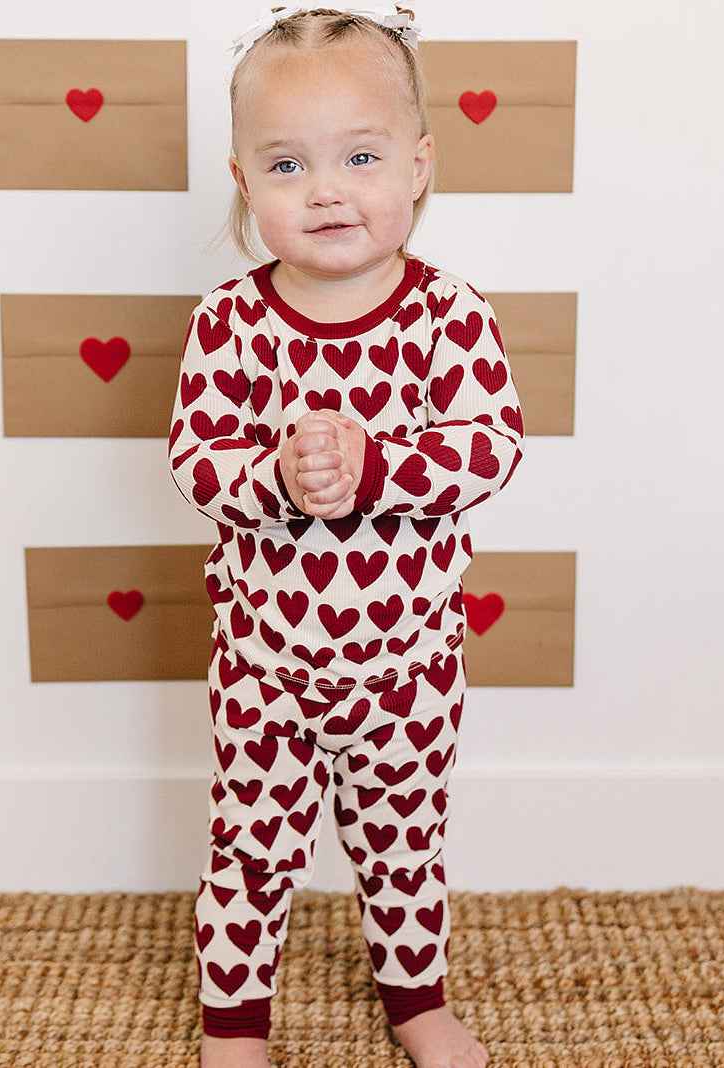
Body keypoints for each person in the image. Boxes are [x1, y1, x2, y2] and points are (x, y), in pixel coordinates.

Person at [168, 6, 523, 1066]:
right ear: (244, 181)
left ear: (417, 166)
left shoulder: (448, 315)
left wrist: (376, 466)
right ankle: (234, 1024)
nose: (325, 190)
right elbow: (194, 460)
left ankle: (416, 1001)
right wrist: (275, 477)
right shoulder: (231, 322)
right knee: (248, 850)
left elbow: (492, 447)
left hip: (407, 664)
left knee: (405, 847)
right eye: (288, 165)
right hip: (265, 663)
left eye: (359, 157)